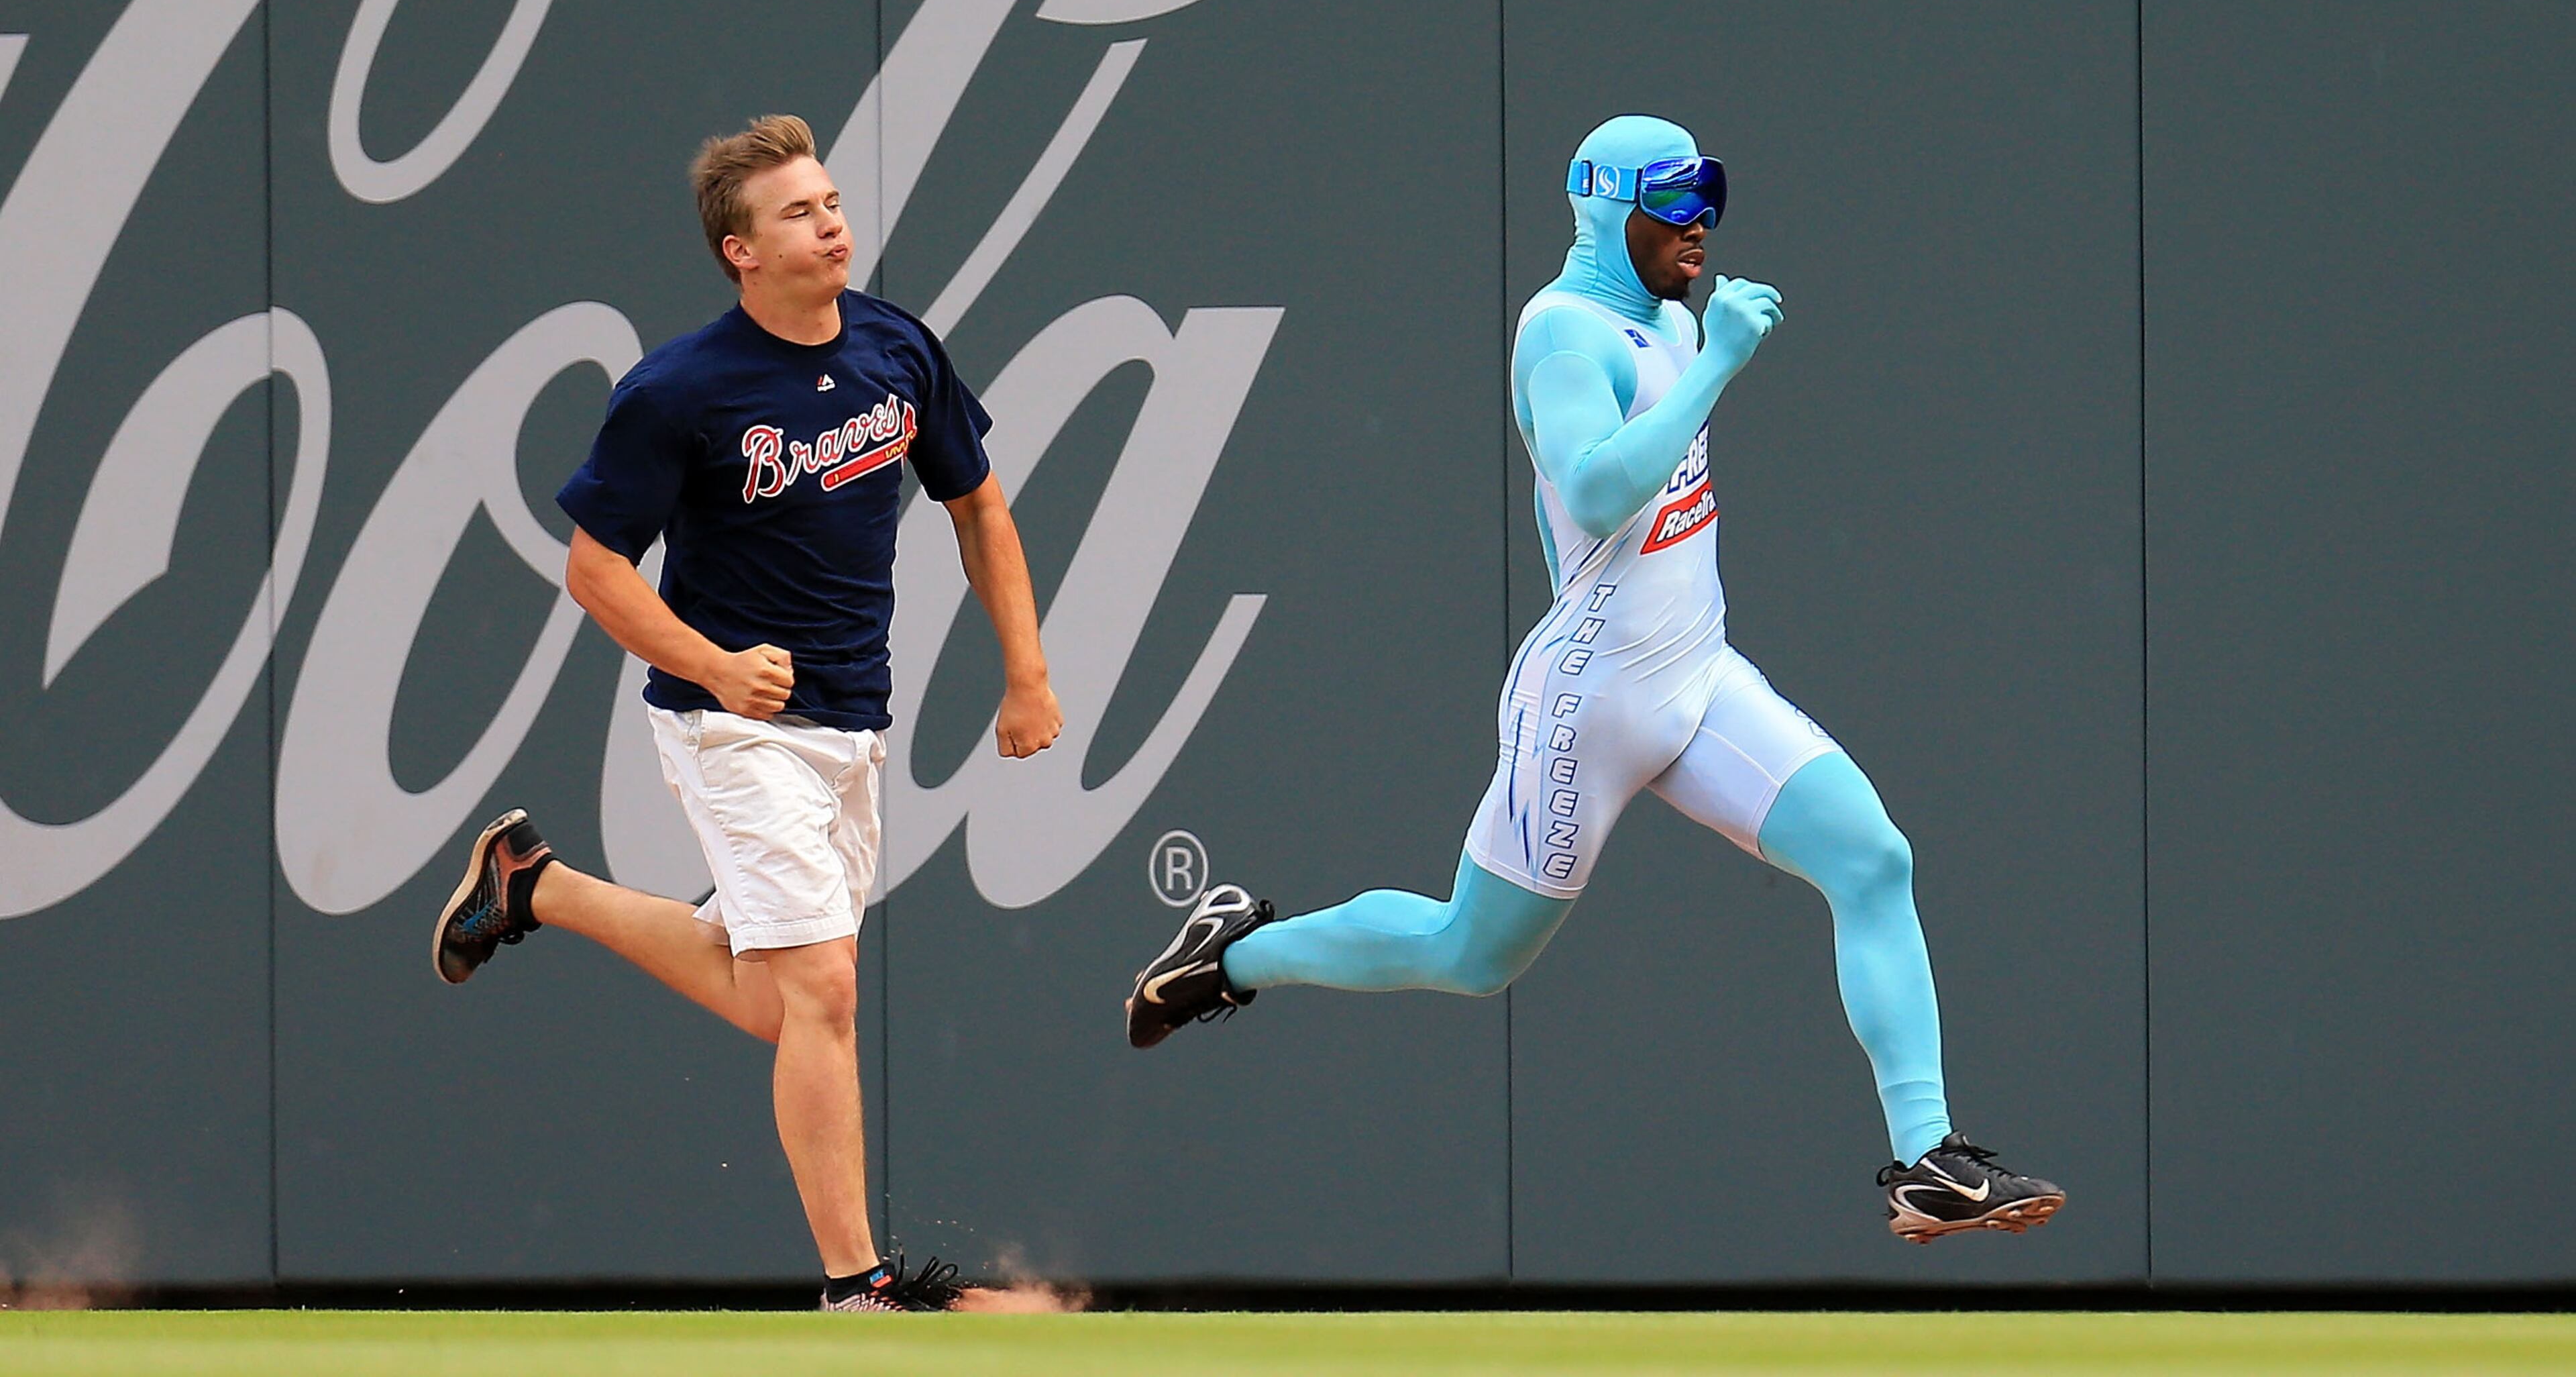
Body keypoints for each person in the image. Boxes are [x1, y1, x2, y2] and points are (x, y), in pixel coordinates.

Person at [1125, 114, 2063, 1244]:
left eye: (1709, 197)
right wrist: (1718, 363)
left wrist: (1700, 346)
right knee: (1468, 955)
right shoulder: (1565, 334)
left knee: (1873, 859)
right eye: (1675, 204)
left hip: (1698, 673)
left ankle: (1930, 1161)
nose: (1701, 225)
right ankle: (1233, 957)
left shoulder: (1664, 314)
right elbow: (1599, 487)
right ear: (1614, 213)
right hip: (1592, 699)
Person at [432, 115, 1062, 1311]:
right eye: (798, 212)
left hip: (847, 721)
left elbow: (978, 506)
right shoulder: (680, 389)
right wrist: (716, 667)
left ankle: (534, 884)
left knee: (780, 1001)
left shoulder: (896, 349)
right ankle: (857, 1286)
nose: (830, 224)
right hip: (732, 725)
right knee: (822, 991)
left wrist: (1024, 673)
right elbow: (595, 569)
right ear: (741, 251)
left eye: (830, 202)